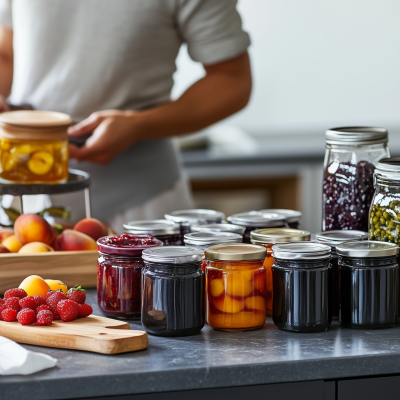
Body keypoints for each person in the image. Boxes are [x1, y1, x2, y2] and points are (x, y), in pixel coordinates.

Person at [0, 0, 251, 232]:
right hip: (23, 192)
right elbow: (8, 53)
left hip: (142, 203)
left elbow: (233, 80)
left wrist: (139, 125)